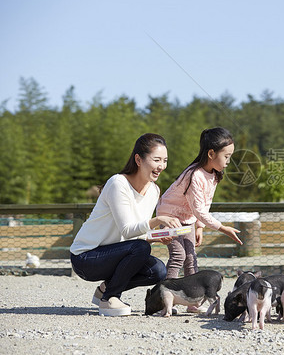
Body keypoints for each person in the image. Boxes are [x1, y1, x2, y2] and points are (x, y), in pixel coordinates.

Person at [70, 133, 182, 317]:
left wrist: (157, 237)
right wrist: (158, 221)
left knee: (157, 271)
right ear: (138, 159)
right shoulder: (118, 183)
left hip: (115, 253)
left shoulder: (154, 190)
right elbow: (127, 230)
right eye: (156, 160)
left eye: (165, 160)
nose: (161, 166)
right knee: (140, 247)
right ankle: (109, 299)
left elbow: (138, 234)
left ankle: (104, 291)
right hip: (86, 257)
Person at [156, 127, 243, 280]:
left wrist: (200, 227)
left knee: (191, 258)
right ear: (211, 154)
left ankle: (192, 301)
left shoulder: (214, 174)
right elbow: (199, 210)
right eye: (226, 156)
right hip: (169, 218)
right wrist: (222, 228)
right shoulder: (194, 175)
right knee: (179, 256)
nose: (228, 161)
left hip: (187, 220)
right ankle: (166, 297)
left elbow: (205, 203)